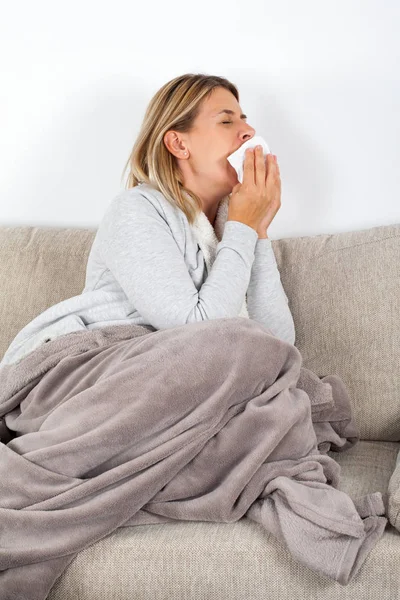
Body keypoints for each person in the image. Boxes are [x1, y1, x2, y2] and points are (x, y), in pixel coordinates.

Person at [0, 72, 295, 369]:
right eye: (227, 121)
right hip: (95, 365)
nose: (248, 131)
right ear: (179, 144)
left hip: (176, 374)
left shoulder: (231, 226)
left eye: (244, 119)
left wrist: (256, 229)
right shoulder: (135, 210)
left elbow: (278, 344)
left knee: (285, 390)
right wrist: (243, 226)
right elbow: (198, 332)